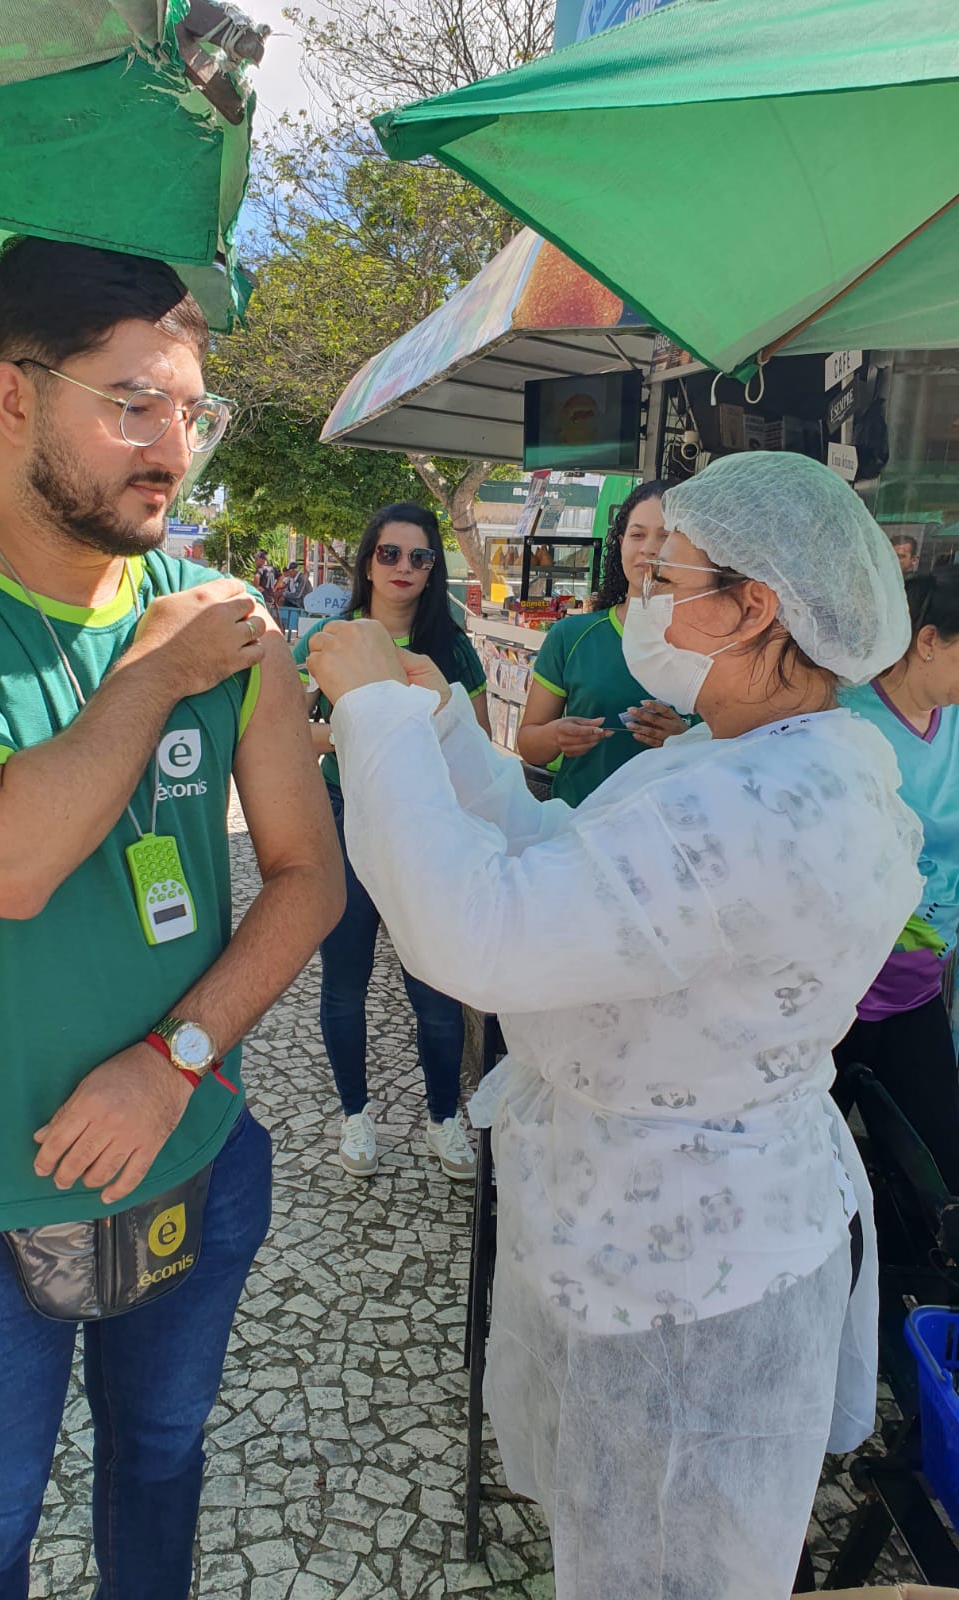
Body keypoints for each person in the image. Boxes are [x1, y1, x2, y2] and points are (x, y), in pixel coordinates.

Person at [0, 235, 344, 1600]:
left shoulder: (223, 619)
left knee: (161, 1466)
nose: (171, 450)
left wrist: (176, 1063)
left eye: (188, 412)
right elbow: (6, 860)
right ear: (14, 396)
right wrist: (150, 677)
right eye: (132, 404)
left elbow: (308, 876)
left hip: (194, 1159)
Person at [309, 452, 922, 1599]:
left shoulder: (748, 802)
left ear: (755, 607)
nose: (638, 585)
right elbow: (556, 861)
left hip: (684, 1262)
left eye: (665, 568)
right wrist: (443, 725)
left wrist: (374, 706)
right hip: (671, 1215)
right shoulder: (760, 752)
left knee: (662, 1557)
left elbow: (479, 933)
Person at [293, 503, 492, 1181]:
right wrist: (362, 729)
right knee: (343, 982)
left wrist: (380, 725)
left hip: (427, 824)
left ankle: (444, 1118)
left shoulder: (452, 644)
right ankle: (355, 1115)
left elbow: (478, 740)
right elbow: (285, 731)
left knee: (434, 986)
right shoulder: (331, 639)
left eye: (421, 557)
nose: (405, 568)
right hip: (344, 818)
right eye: (390, 554)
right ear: (368, 560)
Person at [834, 565, 959, 1189]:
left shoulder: (956, 723)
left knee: (939, 1170)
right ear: (928, 640)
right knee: (822, 1172)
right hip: (835, 994)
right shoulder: (844, 722)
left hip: (918, 985)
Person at [517, 480, 689, 804]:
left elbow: (749, 750)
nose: (649, 548)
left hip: (678, 834)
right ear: (621, 544)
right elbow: (528, 744)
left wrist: (687, 742)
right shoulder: (571, 636)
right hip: (580, 831)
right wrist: (557, 736)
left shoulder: (721, 645)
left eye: (665, 535)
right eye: (637, 535)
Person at [278, 561, 310, 632]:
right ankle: (280, 620)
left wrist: (284, 593)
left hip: (301, 602)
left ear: (293, 571)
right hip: (295, 600)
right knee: (279, 597)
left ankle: (279, 620)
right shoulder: (291, 578)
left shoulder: (301, 578)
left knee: (282, 598)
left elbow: (297, 595)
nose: (288, 574)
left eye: (289, 572)